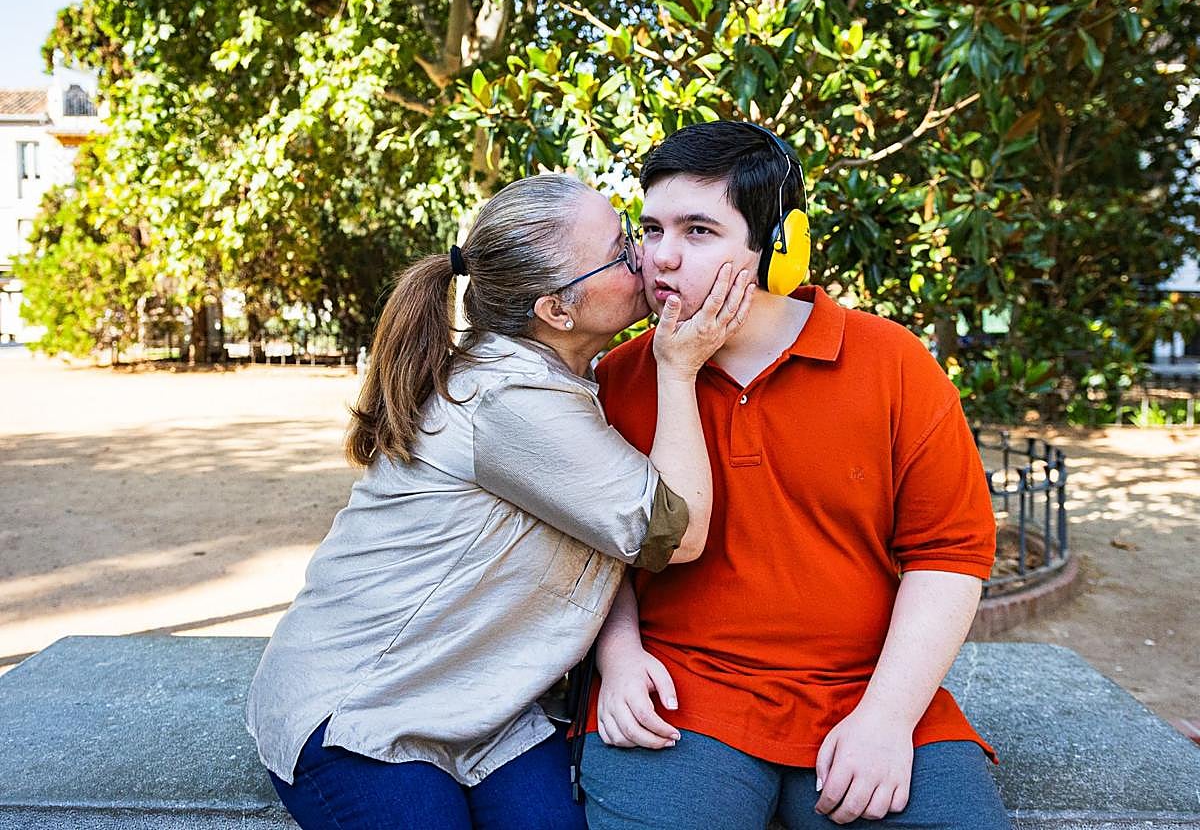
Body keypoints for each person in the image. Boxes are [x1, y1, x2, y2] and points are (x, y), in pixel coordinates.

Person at [244, 173, 755, 830]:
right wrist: (679, 370)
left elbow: (592, 540)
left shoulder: (555, 375)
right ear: (555, 311)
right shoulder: (510, 402)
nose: (649, 257)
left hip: (484, 705)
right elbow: (672, 535)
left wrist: (619, 646)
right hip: (363, 707)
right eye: (623, 250)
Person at [580, 121, 1011, 829]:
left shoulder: (893, 364)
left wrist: (885, 719)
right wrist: (619, 655)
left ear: (781, 247)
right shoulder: (620, 378)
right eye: (651, 230)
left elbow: (949, 555)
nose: (660, 258)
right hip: (682, 693)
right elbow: (597, 551)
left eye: (697, 231)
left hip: (868, 691)